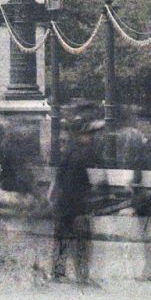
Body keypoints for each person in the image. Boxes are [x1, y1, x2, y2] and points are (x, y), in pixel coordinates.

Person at [49, 118, 98, 285]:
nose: (91, 138)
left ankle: (58, 272)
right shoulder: (79, 155)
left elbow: (61, 179)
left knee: (63, 240)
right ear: (79, 135)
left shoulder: (70, 153)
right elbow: (72, 184)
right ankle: (81, 275)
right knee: (81, 241)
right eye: (88, 134)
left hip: (65, 205)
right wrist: (82, 207)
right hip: (73, 206)